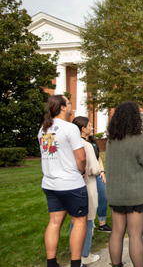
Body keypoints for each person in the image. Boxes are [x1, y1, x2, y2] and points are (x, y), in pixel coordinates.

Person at [105, 101, 143, 267]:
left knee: (117, 232)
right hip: (136, 194)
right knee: (135, 235)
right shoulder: (142, 141)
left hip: (116, 194)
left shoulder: (111, 141)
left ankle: (116, 265)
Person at [38, 95, 87, 267]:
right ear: (63, 107)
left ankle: (51, 263)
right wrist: (82, 170)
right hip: (70, 183)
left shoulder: (43, 129)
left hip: (50, 183)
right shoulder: (70, 128)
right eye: (70, 104)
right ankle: (75, 264)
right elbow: (81, 157)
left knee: (54, 222)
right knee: (79, 222)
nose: (72, 106)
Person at [71, 116, 105, 264]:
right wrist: (100, 171)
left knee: (75, 221)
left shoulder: (70, 143)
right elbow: (93, 168)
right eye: (90, 125)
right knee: (89, 219)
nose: (92, 128)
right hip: (88, 184)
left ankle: (76, 254)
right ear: (83, 128)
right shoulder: (86, 145)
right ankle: (85, 254)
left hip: (72, 185)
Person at [87, 134, 112, 233]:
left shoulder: (93, 142)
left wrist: (102, 171)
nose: (92, 129)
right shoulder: (79, 143)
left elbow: (98, 158)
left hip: (98, 173)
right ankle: (89, 223)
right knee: (89, 199)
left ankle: (102, 224)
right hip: (87, 174)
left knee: (102, 195)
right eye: (89, 126)